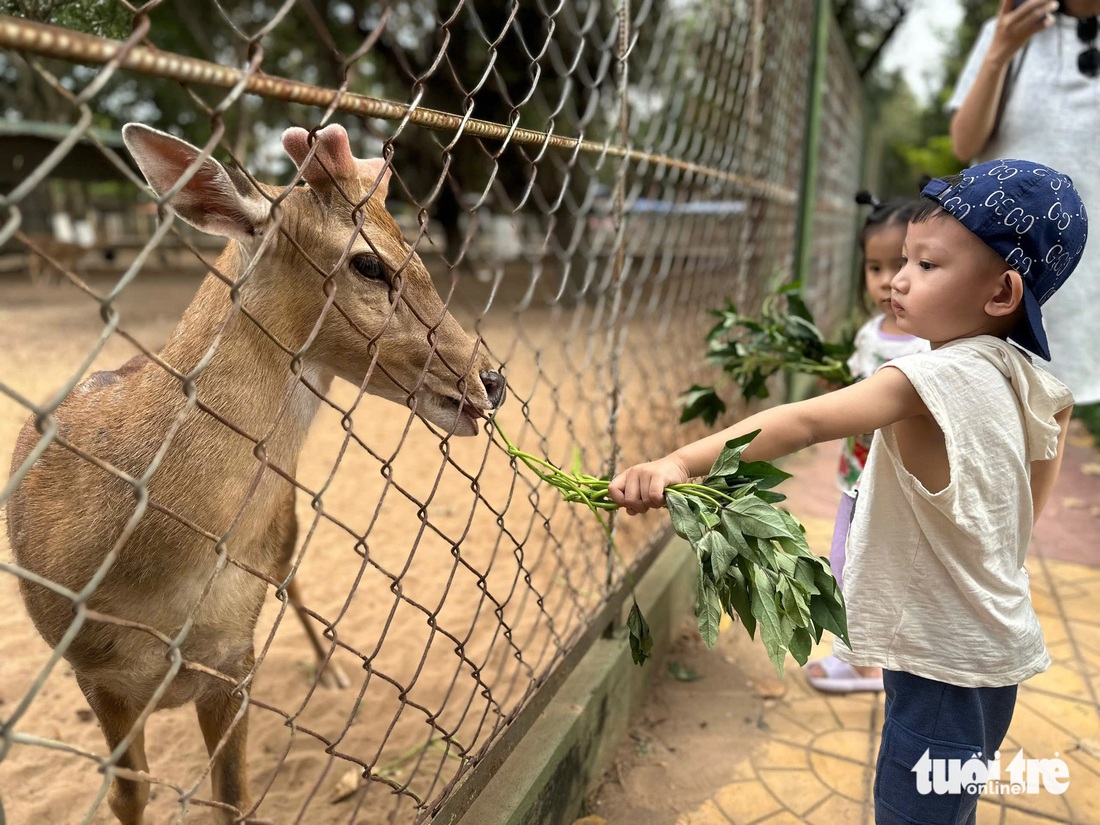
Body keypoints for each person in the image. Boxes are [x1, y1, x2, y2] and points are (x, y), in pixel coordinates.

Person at [609, 158, 1086, 825]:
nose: (898, 279)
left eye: (925, 265)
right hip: (994, 653)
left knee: (913, 810)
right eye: (902, 262)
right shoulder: (1027, 375)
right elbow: (1059, 414)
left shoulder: (927, 377)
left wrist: (680, 462)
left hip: (942, 664)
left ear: (1002, 293)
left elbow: (803, 420)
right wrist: (1012, 531)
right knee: (951, 803)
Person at [804, 193, 929, 695]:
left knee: (875, 568)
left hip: (897, 484)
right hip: (857, 478)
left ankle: (868, 667)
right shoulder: (868, 333)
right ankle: (865, 657)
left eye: (900, 264)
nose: (885, 281)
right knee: (844, 562)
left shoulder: (927, 344)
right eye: (873, 267)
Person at [949, 0, 1100, 407]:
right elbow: (964, 143)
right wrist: (1001, 48)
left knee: (1054, 407)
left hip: (1085, 268)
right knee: (978, 398)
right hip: (1000, 253)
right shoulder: (1009, 30)